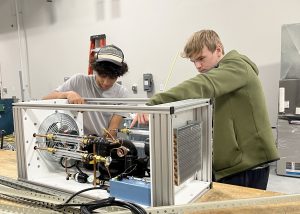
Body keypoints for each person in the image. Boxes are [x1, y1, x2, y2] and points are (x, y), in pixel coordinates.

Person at [130, 29, 279, 190]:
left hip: (246, 167)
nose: (198, 66)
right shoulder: (223, 74)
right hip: (235, 165)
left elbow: (202, 84)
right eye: (193, 62)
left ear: (219, 49)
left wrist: (153, 103)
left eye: (201, 58)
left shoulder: (237, 66)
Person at [43, 44, 129, 138]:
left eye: (112, 78)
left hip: (101, 143)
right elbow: (45, 99)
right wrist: (67, 94)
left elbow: (112, 131)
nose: (106, 82)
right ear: (96, 70)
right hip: (75, 142)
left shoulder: (121, 93)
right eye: (102, 76)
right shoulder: (79, 81)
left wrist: (103, 147)